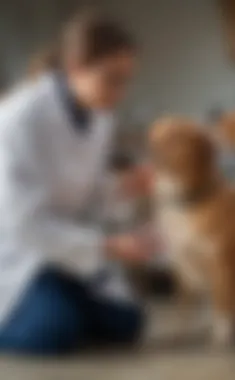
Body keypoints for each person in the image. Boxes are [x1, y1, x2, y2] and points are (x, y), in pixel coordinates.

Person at [0, 11, 155, 355]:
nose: (119, 92)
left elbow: (92, 196)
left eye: (126, 80)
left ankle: (60, 304)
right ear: (74, 67)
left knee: (128, 324)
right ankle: (52, 310)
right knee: (52, 335)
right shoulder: (17, 120)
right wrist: (109, 247)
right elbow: (22, 224)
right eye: (111, 79)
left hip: (64, 253)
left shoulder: (99, 117)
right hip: (18, 254)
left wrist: (125, 186)